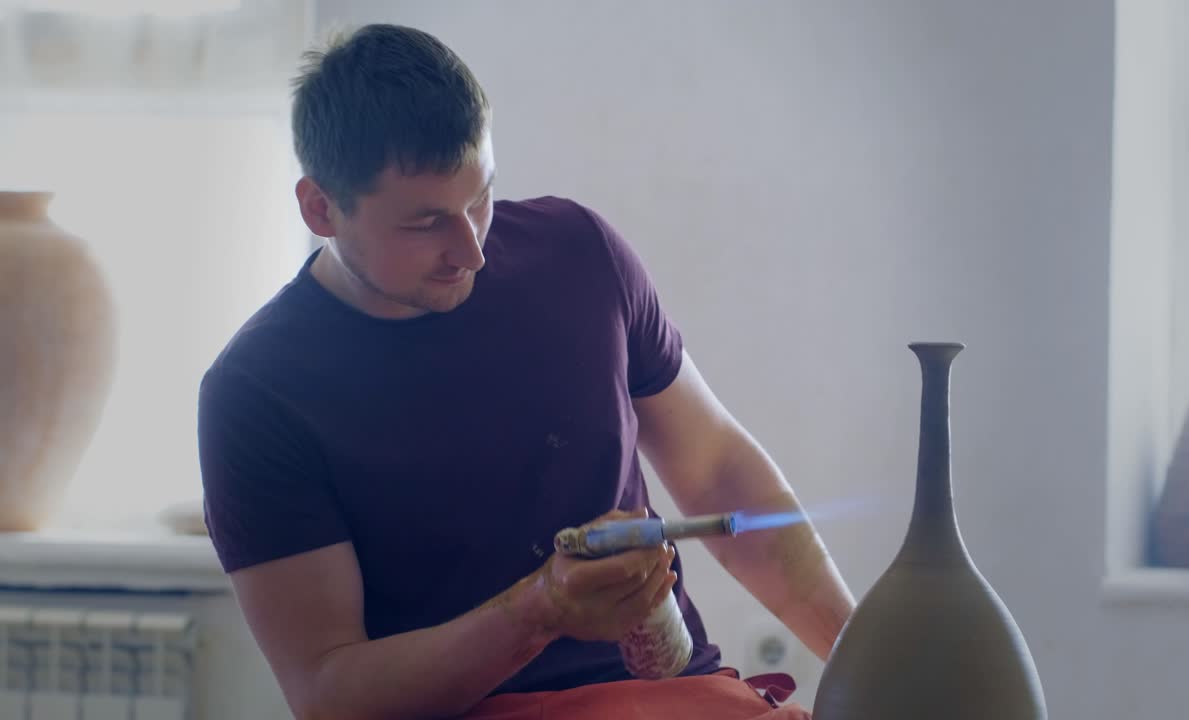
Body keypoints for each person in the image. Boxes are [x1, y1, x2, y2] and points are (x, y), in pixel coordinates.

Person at [197, 22, 855, 720]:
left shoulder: (580, 253)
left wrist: (878, 664)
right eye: (424, 225)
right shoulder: (257, 391)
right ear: (320, 208)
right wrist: (538, 612)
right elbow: (329, 695)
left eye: (479, 200)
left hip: (685, 697)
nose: (472, 251)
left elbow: (718, 471)